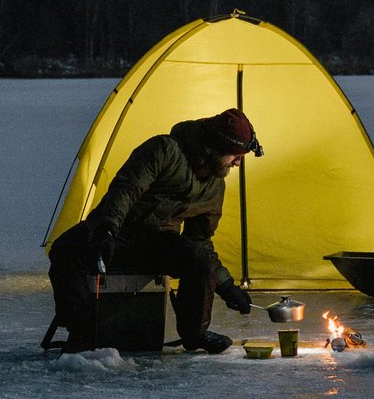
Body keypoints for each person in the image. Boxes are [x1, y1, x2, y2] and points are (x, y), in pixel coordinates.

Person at [47, 108, 261, 354]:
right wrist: (107, 229)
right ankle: (82, 331)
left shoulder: (215, 187)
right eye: (235, 156)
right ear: (215, 148)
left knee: (197, 259)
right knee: (65, 251)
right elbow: (125, 190)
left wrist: (226, 286)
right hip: (115, 232)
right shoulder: (164, 150)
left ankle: (195, 334)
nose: (237, 162)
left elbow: (199, 240)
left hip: (156, 244)